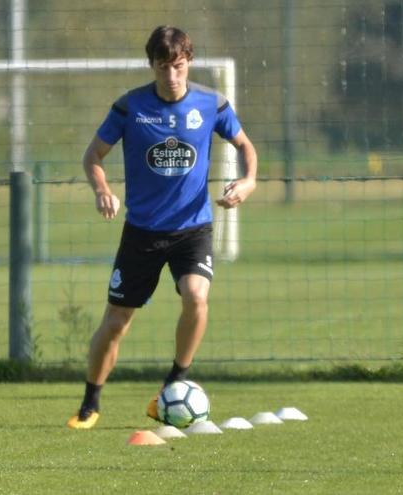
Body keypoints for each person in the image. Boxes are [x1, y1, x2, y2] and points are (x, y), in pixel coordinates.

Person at [66, 25, 258, 429]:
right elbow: (93, 155)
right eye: (162, 67)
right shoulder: (130, 107)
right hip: (142, 231)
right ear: (151, 65)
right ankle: (90, 402)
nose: (171, 76)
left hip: (193, 228)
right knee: (116, 322)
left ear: (188, 63)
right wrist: (102, 190)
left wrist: (248, 179)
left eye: (178, 66)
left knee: (196, 295)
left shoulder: (212, 104)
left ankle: (176, 379)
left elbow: (245, 145)